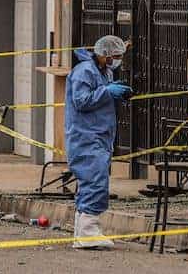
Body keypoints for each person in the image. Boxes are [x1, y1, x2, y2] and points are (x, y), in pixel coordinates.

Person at [65, 35, 133, 249]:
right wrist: (107, 91)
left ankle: (84, 231)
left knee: (92, 181)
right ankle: (88, 232)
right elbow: (81, 100)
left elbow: (100, 95)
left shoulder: (105, 71)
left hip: (99, 134)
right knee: (95, 182)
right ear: (105, 55)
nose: (118, 60)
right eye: (116, 56)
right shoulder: (84, 71)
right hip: (86, 135)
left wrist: (117, 91)